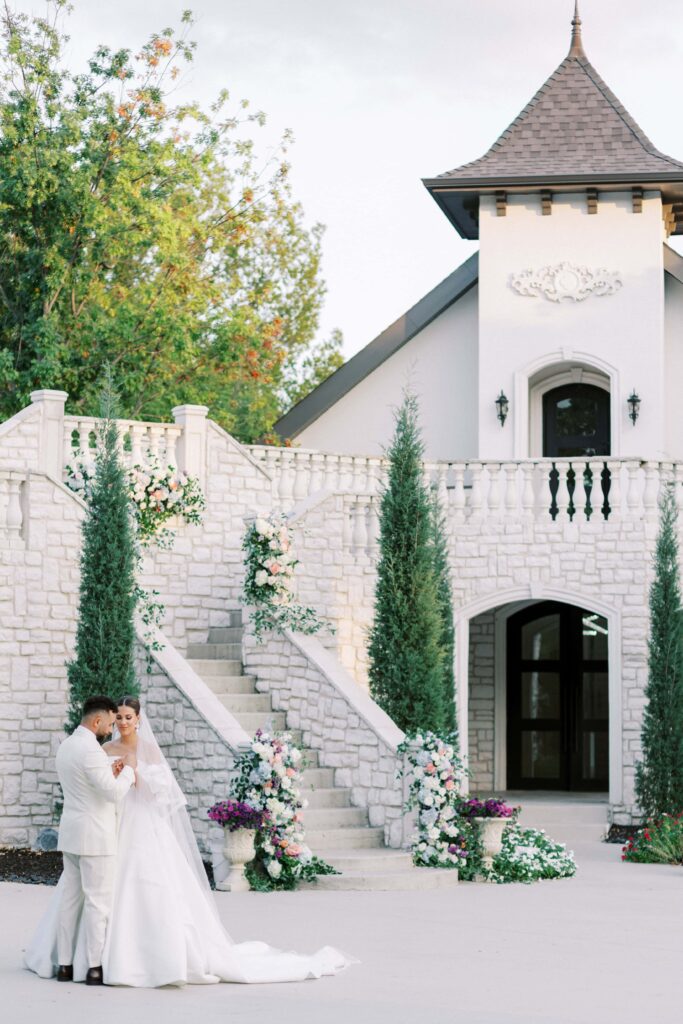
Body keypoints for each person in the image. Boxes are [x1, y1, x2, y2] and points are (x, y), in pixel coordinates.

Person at [24, 696, 355, 987]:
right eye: (118, 717)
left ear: (138, 719)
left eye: (127, 717)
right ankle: (90, 962)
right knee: (95, 897)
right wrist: (123, 773)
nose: (122, 723)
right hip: (108, 826)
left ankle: (100, 961)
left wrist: (136, 774)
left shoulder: (144, 750)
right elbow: (103, 789)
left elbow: (164, 793)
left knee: (125, 891)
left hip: (136, 825)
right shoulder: (103, 749)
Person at [24, 695, 136, 985]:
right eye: (110, 723)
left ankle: (64, 966)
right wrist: (130, 773)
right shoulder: (92, 750)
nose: (111, 729)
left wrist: (108, 773)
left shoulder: (68, 746)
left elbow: (85, 785)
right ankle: (94, 968)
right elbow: (112, 793)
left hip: (72, 835)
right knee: (98, 903)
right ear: (97, 720)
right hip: (96, 839)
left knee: (70, 901)